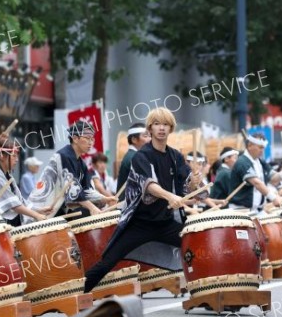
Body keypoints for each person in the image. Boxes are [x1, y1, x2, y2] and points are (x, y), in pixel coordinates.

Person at [84, 107, 206, 293]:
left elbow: (186, 185)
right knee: (108, 261)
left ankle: (207, 288)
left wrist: (194, 184)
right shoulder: (142, 156)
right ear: (150, 128)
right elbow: (148, 185)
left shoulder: (175, 156)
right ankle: (79, 293)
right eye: (157, 124)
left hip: (165, 223)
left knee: (198, 248)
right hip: (139, 223)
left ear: (171, 128)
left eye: (166, 124)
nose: (161, 128)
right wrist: (170, 196)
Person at [28, 121, 116, 218]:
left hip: (57, 211)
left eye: (92, 139)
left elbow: (86, 191)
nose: (90, 143)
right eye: (87, 138)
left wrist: (105, 199)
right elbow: (73, 190)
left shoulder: (82, 163)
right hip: (40, 211)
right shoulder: (64, 156)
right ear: (75, 138)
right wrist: (92, 208)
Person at [0, 139, 51, 226]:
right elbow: (13, 205)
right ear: (1, 156)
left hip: (7, 225)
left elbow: (20, 201)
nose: (17, 160)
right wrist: (36, 215)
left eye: (17, 156)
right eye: (14, 156)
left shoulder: (8, 176)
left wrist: (39, 210)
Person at [228, 132, 282, 212]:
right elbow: (256, 183)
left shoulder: (260, 161)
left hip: (256, 210)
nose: (262, 150)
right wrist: (273, 198)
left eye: (263, 148)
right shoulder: (242, 162)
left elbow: (273, 179)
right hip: (240, 210)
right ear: (250, 146)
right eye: (260, 147)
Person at [116, 123, 151, 195]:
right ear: (134, 139)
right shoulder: (135, 158)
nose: (150, 139)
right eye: (145, 136)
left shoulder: (132, 155)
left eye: (150, 136)